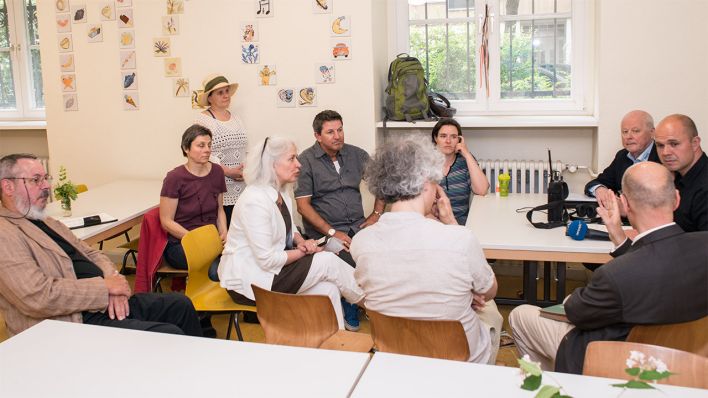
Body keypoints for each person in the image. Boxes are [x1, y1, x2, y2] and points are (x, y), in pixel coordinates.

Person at [509, 162, 708, 374]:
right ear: (676, 199)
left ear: (625, 205)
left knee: (521, 315)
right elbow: (655, 265)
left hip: (615, 360)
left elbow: (576, 313)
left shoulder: (614, 274)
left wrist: (574, 299)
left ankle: (561, 386)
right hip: (688, 360)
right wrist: (619, 239)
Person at [0, 154, 202, 337]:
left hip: (102, 303)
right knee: (167, 334)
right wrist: (103, 289)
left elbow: (91, 253)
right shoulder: (5, 234)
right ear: (8, 187)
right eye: (36, 180)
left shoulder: (45, 220)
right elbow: (38, 296)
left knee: (180, 304)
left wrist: (111, 281)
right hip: (72, 320)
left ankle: (201, 371)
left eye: (46, 179)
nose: (46, 186)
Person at [350, 138, 503, 364]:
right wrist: (451, 221)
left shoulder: (361, 242)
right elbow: (489, 291)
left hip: (395, 353)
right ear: (425, 183)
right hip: (458, 358)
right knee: (489, 307)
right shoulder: (459, 239)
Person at [218, 136, 364, 329]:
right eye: (291, 159)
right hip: (251, 283)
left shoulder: (281, 192)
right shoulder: (254, 201)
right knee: (327, 261)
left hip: (272, 273)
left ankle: (337, 344)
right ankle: (378, 308)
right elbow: (267, 259)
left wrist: (300, 240)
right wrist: (306, 250)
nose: (299, 164)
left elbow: (291, 229)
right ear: (272, 165)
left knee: (328, 291)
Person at [295, 110, 385, 331]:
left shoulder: (357, 155)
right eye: (330, 132)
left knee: (381, 253)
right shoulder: (305, 161)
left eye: (340, 129)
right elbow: (303, 206)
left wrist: (376, 215)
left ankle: (381, 304)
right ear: (317, 136)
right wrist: (332, 232)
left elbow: (383, 183)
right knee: (348, 258)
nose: (337, 136)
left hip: (358, 225)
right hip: (325, 233)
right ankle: (351, 305)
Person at [159, 124, 228, 270]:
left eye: (209, 145)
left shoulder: (217, 172)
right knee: (219, 270)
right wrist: (195, 239)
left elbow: (219, 210)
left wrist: (224, 233)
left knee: (243, 261)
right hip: (182, 243)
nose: (207, 150)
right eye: (201, 145)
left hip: (211, 239)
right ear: (186, 148)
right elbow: (166, 221)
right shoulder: (175, 178)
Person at [195, 74, 248, 227]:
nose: (226, 95)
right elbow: (203, 153)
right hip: (218, 187)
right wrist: (227, 171)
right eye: (220, 92)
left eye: (227, 91)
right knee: (225, 231)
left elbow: (244, 148)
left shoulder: (236, 118)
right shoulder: (202, 120)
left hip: (241, 185)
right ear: (209, 98)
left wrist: (246, 170)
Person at [584, 110, 660, 208]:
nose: (629, 137)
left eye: (635, 131)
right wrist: (600, 189)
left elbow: (661, 203)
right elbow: (596, 183)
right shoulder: (622, 156)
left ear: (652, 132)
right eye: (625, 132)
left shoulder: (662, 155)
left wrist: (627, 211)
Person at [431, 118, 489, 225]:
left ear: (459, 140)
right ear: (435, 138)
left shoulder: (465, 161)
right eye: (443, 136)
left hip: (461, 224)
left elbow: (482, 190)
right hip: (433, 224)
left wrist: (466, 153)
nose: (448, 141)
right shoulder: (426, 163)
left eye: (453, 137)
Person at [654, 114, 706, 232]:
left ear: (695, 143)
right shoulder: (675, 175)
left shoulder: (704, 187)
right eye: (660, 145)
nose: (665, 152)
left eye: (674, 144)